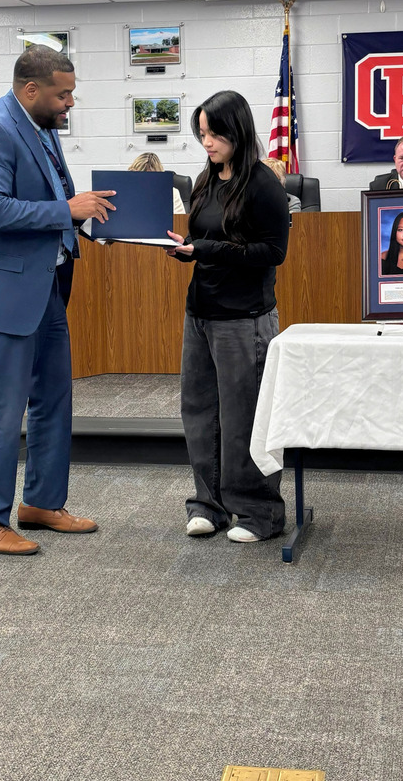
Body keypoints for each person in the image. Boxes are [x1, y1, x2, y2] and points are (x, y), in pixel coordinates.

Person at [0, 45, 116, 555]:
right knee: (5, 408)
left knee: (53, 399)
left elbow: (49, 200)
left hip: (45, 287)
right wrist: (68, 208)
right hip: (3, 295)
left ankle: (42, 502)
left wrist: (87, 218)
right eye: (63, 93)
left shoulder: (42, 127)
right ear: (31, 90)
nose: (70, 102)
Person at [166, 90, 289, 543]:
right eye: (201, 134)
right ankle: (209, 505)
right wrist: (183, 249)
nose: (207, 143)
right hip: (200, 312)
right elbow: (202, 239)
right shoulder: (205, 180)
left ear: (237, 130)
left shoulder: (263, 184)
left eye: (215, 133)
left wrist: (206, 249)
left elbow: (273, 252)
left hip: (244, 318)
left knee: (245, 418)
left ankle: (258, 514)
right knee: (199, 413)